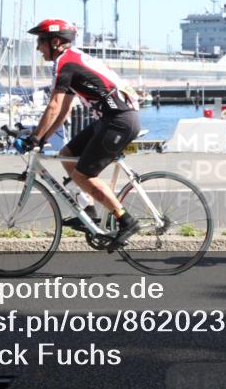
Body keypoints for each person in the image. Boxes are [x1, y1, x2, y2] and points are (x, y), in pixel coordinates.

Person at [20, 18, 142, 251]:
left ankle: (125, 220)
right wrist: (44, 137)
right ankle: (88, 210)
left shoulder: (65, 63)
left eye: (40, 42)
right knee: (68, 154)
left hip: (119, 121)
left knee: (83, 174)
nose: (37, 48)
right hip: (110, 119)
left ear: (55, 42)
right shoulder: (71, 60)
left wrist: (35, 137)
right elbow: (64, 110)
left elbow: (54, 105)